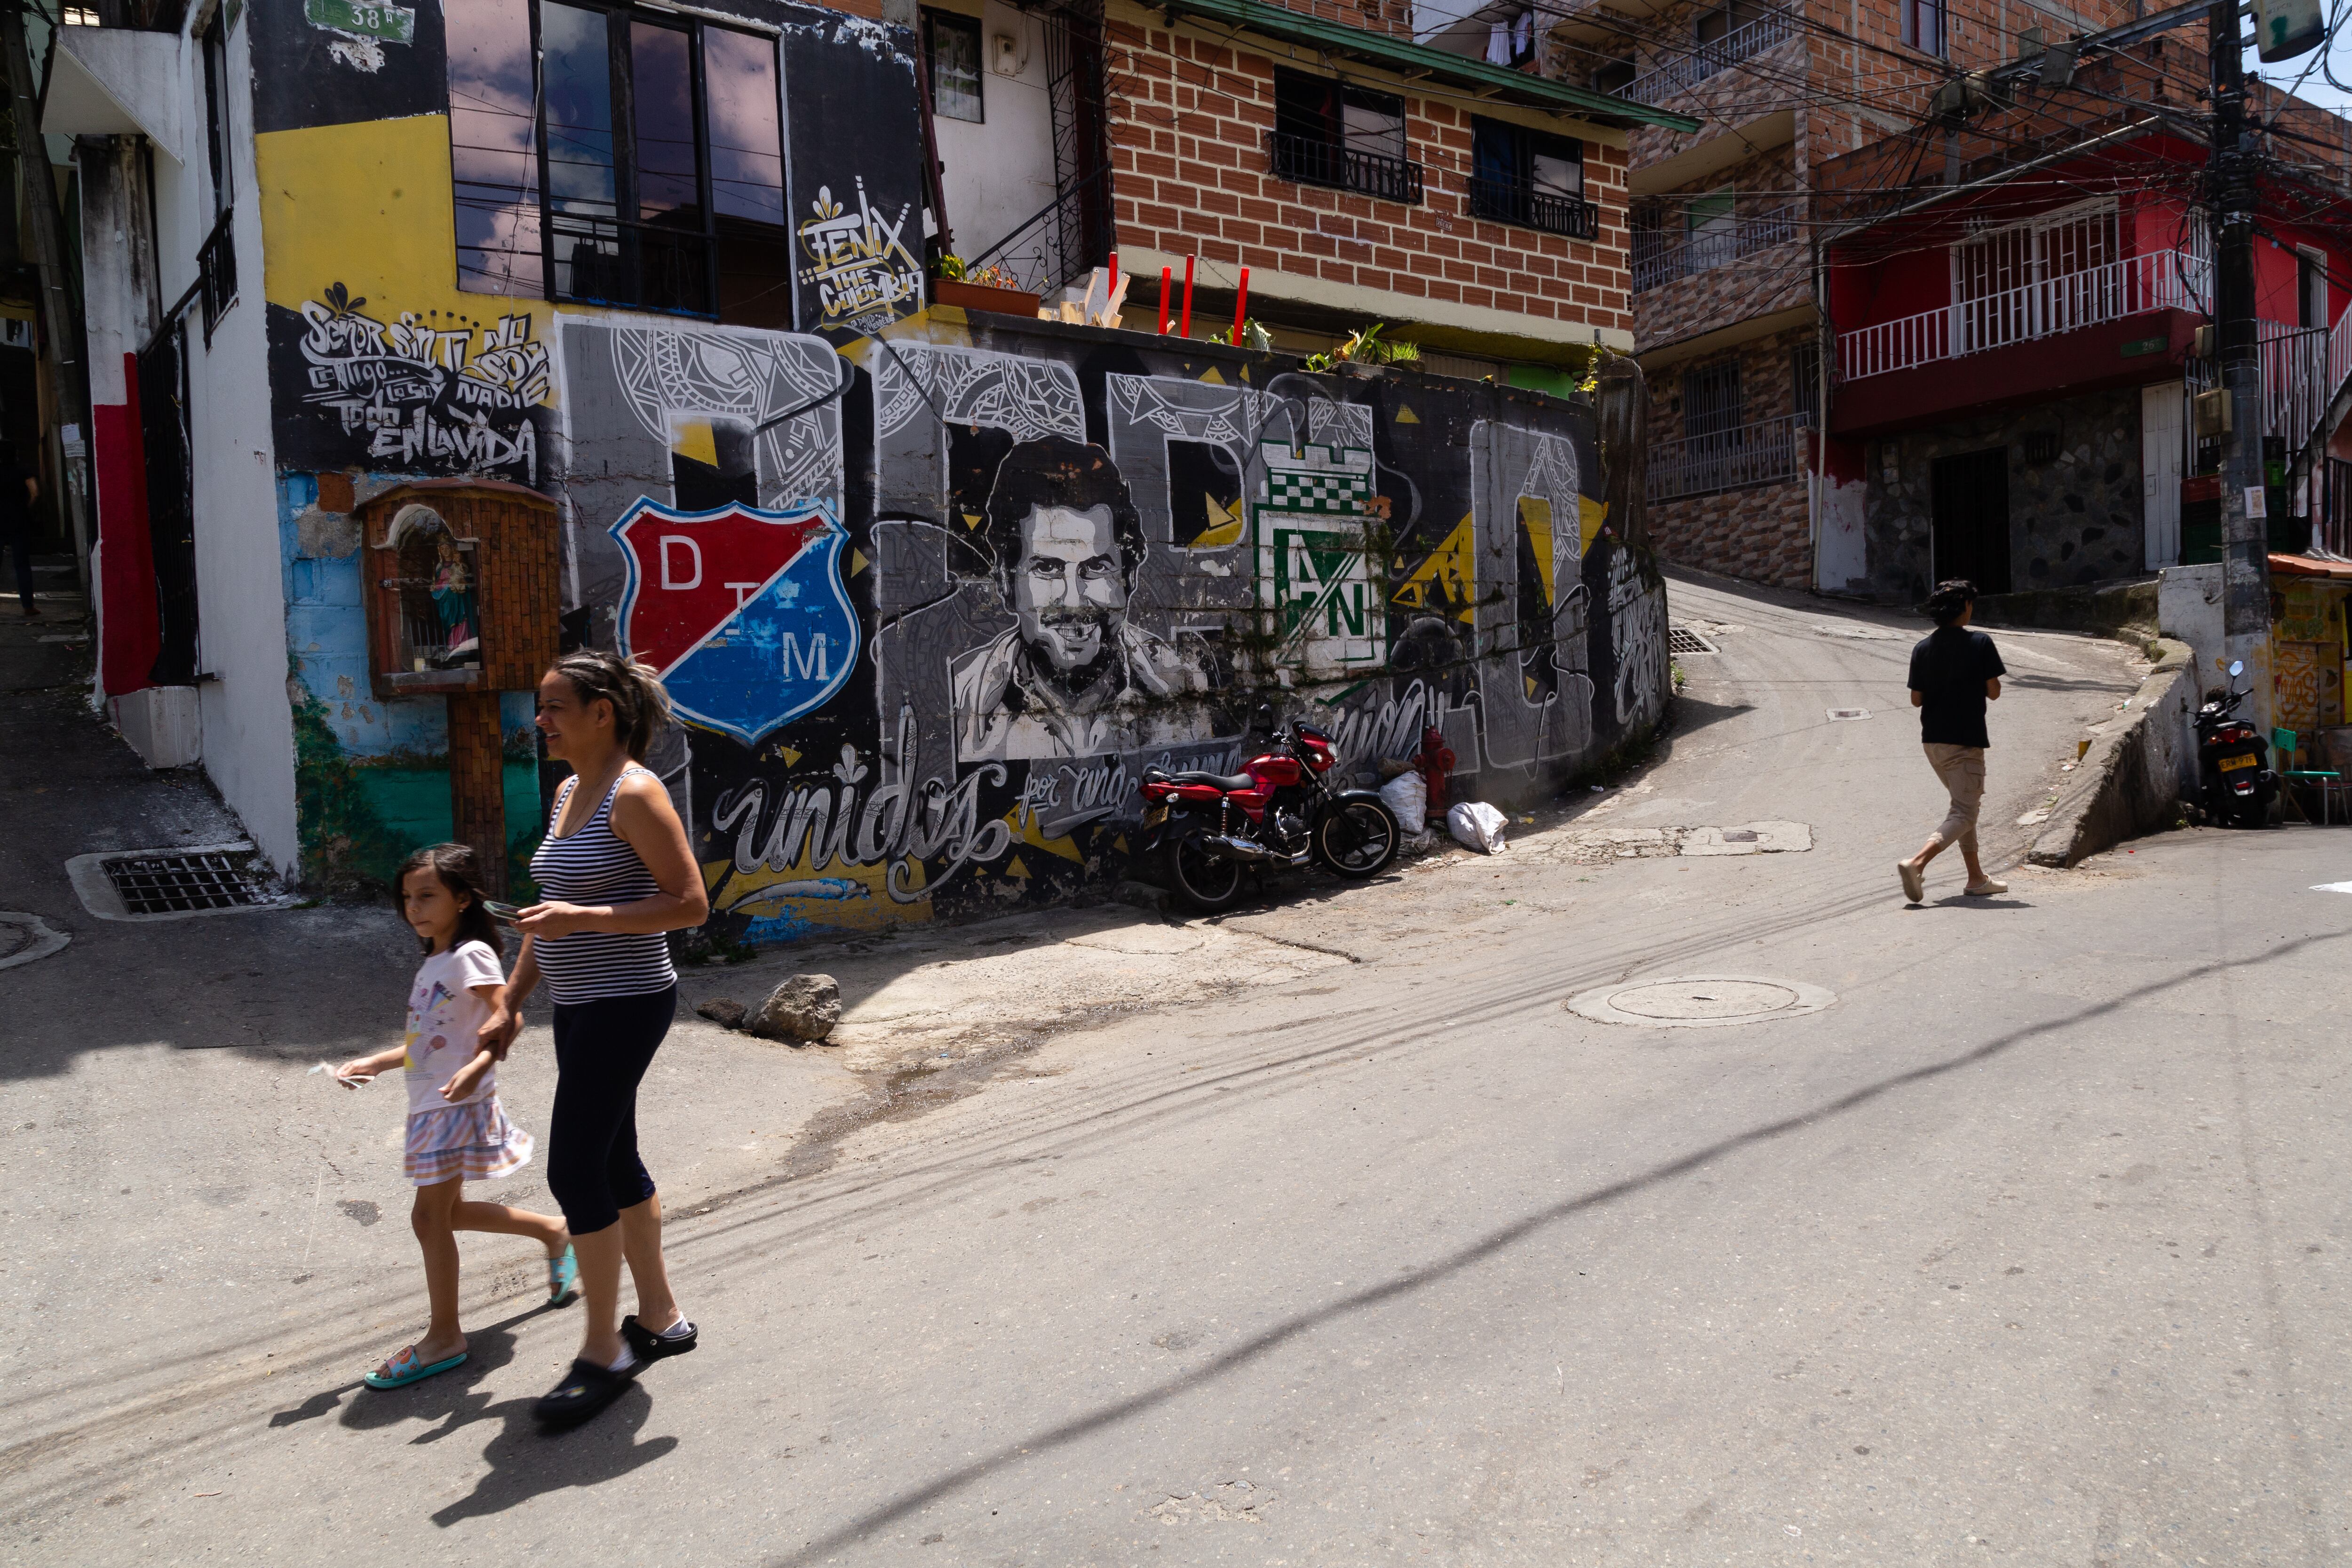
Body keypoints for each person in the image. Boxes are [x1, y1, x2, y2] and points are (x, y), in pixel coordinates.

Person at [485, 650, 710, 1428]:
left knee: (574, 1168)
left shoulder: (634, 793)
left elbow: (690, 905)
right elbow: (550, 906)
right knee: (613, 1160)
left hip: (628, 1000)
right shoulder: (569, 791)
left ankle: (604, 1350)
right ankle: (658, 1315)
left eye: (553, 707)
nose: (538, 720)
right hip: (579, 1003)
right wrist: (512, 1000)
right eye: (539, 706)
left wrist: (586, 920)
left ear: (601, 712)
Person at [335, 844, 578, 1392]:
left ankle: (445, 1336)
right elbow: (430, 1041)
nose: (413, 908)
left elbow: (506, 1020)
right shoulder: (435, 963)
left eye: (427, 896)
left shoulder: (471, 957)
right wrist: (377, 1062)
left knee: (429, 1219)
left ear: (463, 899)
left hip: (455, 1104)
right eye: (407, 898)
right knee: (447, 1214)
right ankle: (553, 1231)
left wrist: (479, 1068)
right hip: (432, 1105)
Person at [951, 435, 1212, 761]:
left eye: (1095, 569)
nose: (1074, 601)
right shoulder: (962, 692)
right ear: (1007, 580)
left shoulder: (1179, 685)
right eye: (1047, 568)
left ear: (1129, 577)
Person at [1897, 579, 2009, 903]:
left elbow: (1917, 700)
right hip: (1965, 741)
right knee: (1964, 811)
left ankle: (1976, 878)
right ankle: (1917, 862)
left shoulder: (1922, 648)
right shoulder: (1980, 642)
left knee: (1964, 808)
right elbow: (1995, 692)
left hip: (1933, 742)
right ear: (1965, 609)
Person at [0, 444, 40, 618]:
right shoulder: (23, 471)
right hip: (19, 521)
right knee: (22, 565)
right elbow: (35, 493)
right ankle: (28, 606)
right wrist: (25, 509)